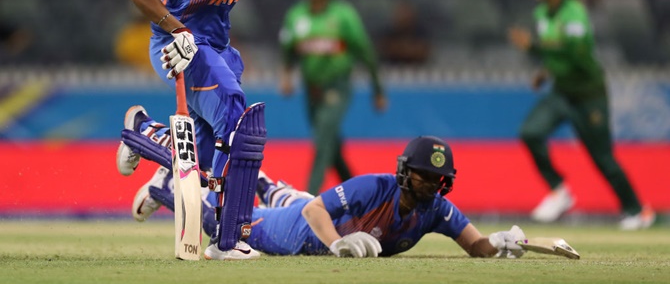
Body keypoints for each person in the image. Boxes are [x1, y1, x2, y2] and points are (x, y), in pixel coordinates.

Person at [114, 0, 273, 260]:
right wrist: (178, 30)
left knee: (205, 145)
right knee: (238, 121)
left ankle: (143, 132)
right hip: (181, 46)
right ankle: (228, 239)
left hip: (216, 46)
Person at [120, 121, 529, 258]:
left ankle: (259, 183)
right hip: (292, 232)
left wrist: (501, 242)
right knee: (218, 220)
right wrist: (338, 245)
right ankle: (165, 184)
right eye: (423, 175)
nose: (430, 184)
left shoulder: (437, 210)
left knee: (281, 191)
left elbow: (476, 246)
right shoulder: (376, 187)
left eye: (437, 179)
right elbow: (315, 212)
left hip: (311, 216)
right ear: (406, 172)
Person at [506, 0, 655, 230]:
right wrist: (544, 70)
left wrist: (534, 49)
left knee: (603, 159)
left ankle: (637, 211)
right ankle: (559, 191)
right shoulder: (541, 14)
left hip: (589, 95)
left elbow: (576, 54)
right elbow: (557, 53)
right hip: (562, 92)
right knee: (530, 132)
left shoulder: (574, 12)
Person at [278, 0, 388, 195]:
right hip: (312, 91)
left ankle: (307, 201)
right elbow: (289, 50)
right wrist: (286, 76)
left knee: (323, 141)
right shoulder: (296, 16)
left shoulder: (344, 15)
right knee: (331, 146)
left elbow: (366, 53)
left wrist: (378, 91)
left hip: (337, 87)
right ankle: (360, 197)